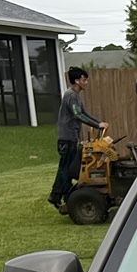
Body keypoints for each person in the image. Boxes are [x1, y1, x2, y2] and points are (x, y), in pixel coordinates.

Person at [50, 67, 107, 209]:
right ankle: (61, 195)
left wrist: (99, 123)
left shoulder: (75, 96)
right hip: (67, 139)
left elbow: (84, 113)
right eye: (84, 80)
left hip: (71, 138)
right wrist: (97, 125)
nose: (86, 82)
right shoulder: (71, 95)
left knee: (68, 168)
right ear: (77, 81)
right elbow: (78, 115)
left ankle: (61, 196)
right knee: (66, 169)